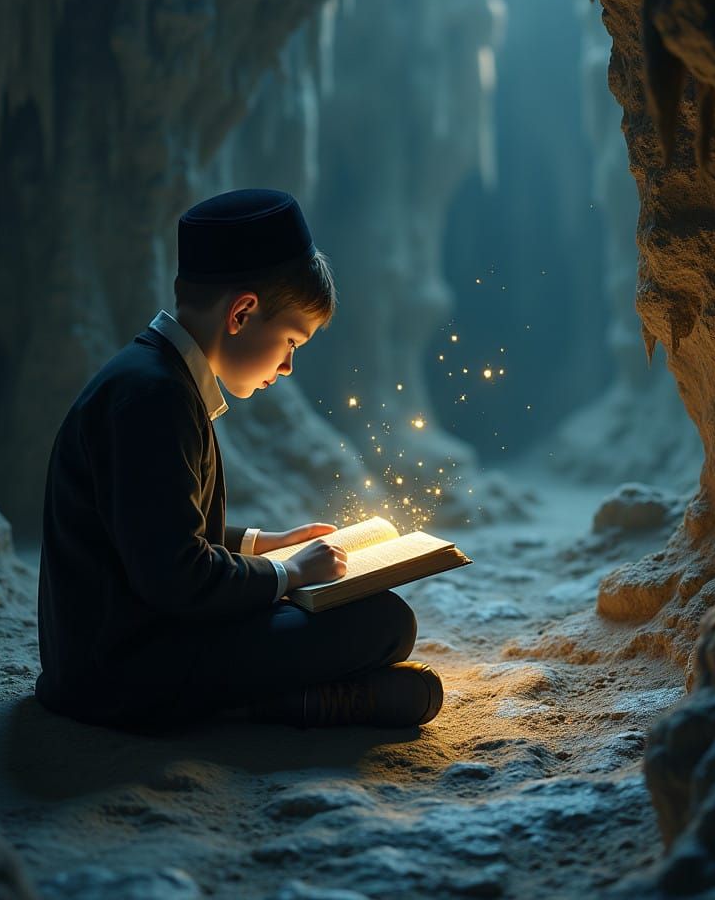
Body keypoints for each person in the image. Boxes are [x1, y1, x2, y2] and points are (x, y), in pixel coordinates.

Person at [35, 188, 443, 730]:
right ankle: (260, 708)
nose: (290, 365)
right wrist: (285, 573)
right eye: (292, 340)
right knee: (384, 624)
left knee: (376, 623)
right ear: (243, 312)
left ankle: (277, 697)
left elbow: (152, 532)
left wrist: (261, 547)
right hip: (123, 671)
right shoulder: (153, 399)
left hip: (136, 640)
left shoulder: (154, 380)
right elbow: (176, 577)